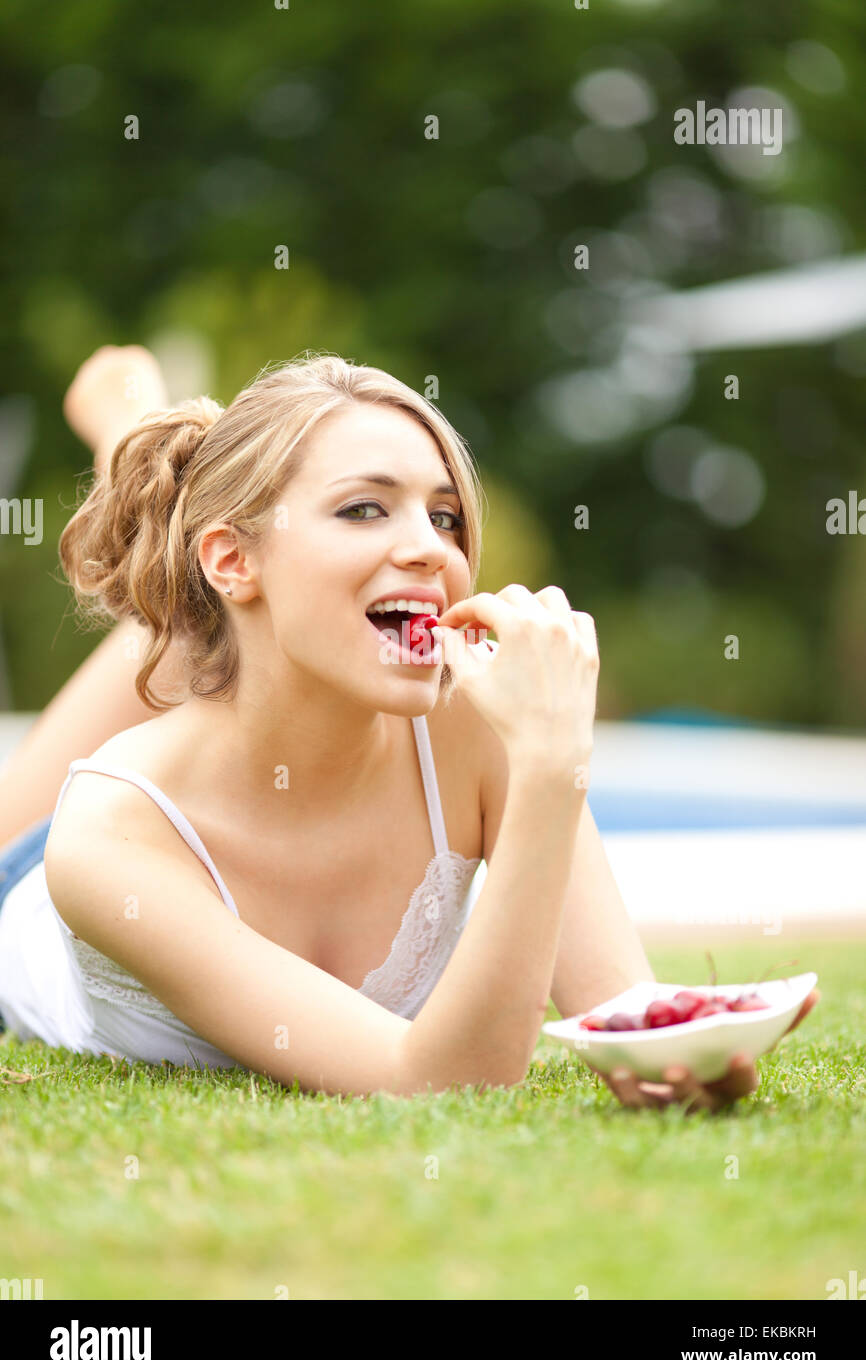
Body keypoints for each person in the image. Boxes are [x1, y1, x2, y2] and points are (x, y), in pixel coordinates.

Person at [0, 346, 818, 1106]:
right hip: (33, 870)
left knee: (230, 612)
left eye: (447, 517)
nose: (430, 549)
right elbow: (441, 1079)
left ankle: (171, 463)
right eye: (364, 509)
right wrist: (549, 761)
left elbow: (627, 1015)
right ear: (236, 554)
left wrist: (674, 1063)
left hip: (250, 617)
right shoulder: (109, 833)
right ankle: (130, 422)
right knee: (175, 620)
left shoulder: (476, 728)